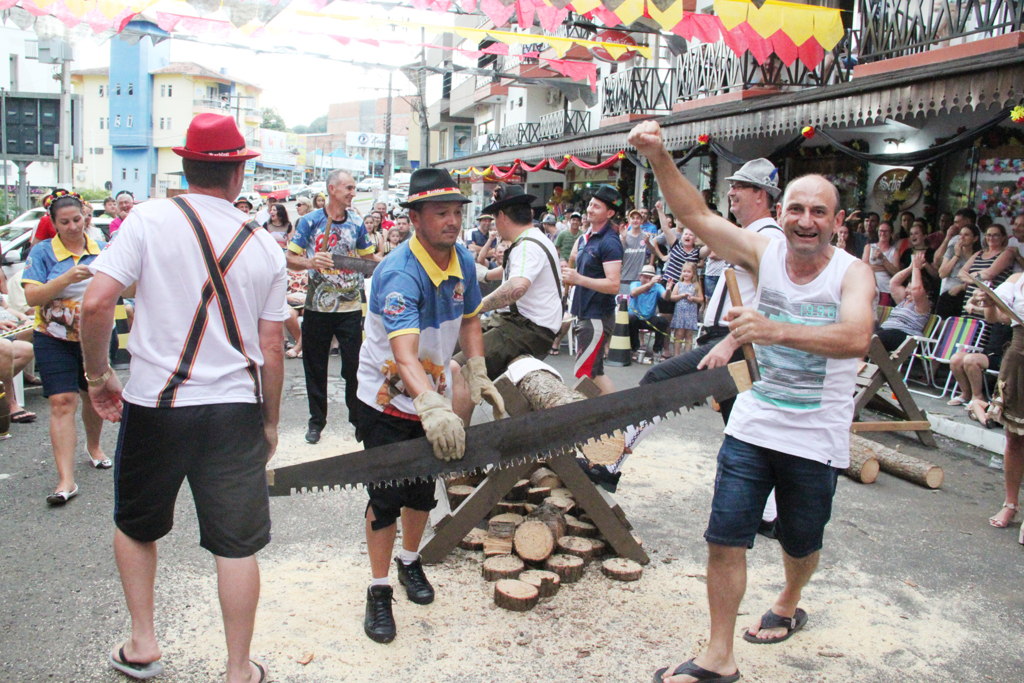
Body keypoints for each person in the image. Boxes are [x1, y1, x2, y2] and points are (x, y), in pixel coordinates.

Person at [630, 119, 874, 683]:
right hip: (754, 423)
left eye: (819, 213)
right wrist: (661, 156)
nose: (806, 222)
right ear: (781, 212)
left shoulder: (851, 274)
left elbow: (856, 338)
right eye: (797, 210)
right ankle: (718, 656)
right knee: (725, 536)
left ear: (837, 222)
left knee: (801, 542)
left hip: (815, 437)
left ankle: (789, 597)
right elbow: (696, 217)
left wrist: (774, 330)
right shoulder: (763, 253)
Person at [79, 112, 284, 683]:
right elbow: (271, 347)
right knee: (236, 545)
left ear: (185, 166)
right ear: (238, 173)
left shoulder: (145, 220)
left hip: (155, 407)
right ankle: (239, 669)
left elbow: (95, 304)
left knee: (137, 525)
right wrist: (269, 425)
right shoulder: (264, 244)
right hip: (234, 410)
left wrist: (98, 377)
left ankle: (143, 644)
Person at [355, 168, 503, 644]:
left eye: (458, 212)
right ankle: (379, 590)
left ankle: (410, 561)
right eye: (441, 213)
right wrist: (431, 406)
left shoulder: (461, 259)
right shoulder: (399, 272)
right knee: (385, 498)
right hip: (385, 401)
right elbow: (403, 353)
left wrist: (477, 370)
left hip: (429, 393)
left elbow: (472, 319)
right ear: (415, 217)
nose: (453, 222)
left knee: (421, 490)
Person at [21, 189, 110, 505]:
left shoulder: (102, 248)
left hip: (93, 337)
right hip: (52, 337)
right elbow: (32, 297)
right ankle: (65, 480)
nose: (73, 227)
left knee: (93, 396)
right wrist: (66, 278)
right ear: (54, 223)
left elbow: (126, 285)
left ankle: (94, 446)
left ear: (85, 216)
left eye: (77, 219)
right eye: (65, 222)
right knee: (62, 400)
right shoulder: (43, 253)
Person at [451, 182, 564, 420]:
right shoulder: (533, 239)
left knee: (460, 369)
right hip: (515, 323)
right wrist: (480, 273)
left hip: (530, 330)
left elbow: (517, 287)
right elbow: (507, 273)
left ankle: (458, 441)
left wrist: (475, 308)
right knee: (447, 342)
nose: (493, 224)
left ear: (501, 216)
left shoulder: (528, 245)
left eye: (493, 217)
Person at [287, 169, 376, 445]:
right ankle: (316, 422)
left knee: (353, 367)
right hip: (316, 306)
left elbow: (368, 261)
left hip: (349, 307)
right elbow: (290, 258)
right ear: (332, 189)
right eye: (348, 187)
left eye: (354, 188)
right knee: (315, 366)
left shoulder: (358, 223)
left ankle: (358, 421)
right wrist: (312, 263)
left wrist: (380, 266)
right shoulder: (310, 222)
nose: (353, 193)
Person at [562, 185, 623, 395]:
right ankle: (619, 420)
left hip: (597, 316)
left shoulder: (610, 242)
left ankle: (608, 418)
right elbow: (573, 260)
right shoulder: (585, 237)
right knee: (594, 373)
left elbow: (614, 285)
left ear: (610, 213)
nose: (590, 209)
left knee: (586, 374)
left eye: (596, 206)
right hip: (585, 312)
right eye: (590, 204)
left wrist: (578, 278)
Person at [980, 272, 1024, 532]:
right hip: (1018, 360)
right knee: (1015, 438)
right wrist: (989, 302)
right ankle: (1010, 504)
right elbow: (999, 318)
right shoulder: (1017, 279)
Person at [876, 253, 932, 352]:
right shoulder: (903, 301)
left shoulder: (923, 306)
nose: (906, 290)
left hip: (904, 336)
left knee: (871, 340)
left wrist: (916, 268)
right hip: (885, 331)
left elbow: (916, 289)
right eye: (907, 287)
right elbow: (894, 283)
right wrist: (911, 267)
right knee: (862, 336)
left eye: (909, 288)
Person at [959, 223, 1013, 318]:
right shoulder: (979, 253)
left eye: (995, 235)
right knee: (968, 329)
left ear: (1003, 237)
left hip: (989, 302)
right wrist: (977, 277)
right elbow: (961, 273)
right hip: (970, 299)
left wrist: (971, 276)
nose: (991, 238)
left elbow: (989, 274)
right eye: (988, 235)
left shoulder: (1007, 253)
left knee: (983, 330)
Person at [935, 223, 979, 317]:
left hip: (967, 295)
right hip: (948, 294)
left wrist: (962, 287)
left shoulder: (978, 255)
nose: (962, 237)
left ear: (975, 238)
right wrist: (956, 255)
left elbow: (978, 278)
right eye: (960, 234)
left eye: (966, 235)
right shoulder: (952, 250)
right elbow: (942, 274)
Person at [628, 265, 669, 360]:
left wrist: (669, 290)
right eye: (645, 277)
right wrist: (649, 284)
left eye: (650, 278)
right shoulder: (634, 284)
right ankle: (635, 348)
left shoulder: (657, 287)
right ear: (640, 277)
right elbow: (633, 293)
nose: (648, 280)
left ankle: (657, 350)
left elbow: (665, 297)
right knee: (631, 318)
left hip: (649, 318)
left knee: (662, 321)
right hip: (635, 318)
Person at [669, 261, 703, 356]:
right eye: (684, 271)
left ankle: (687, 355)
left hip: (690, 312)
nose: (686, 273)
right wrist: (682, 295)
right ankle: (676, 355)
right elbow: (672, 297)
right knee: (678, 334)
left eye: (689, 272)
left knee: (689, 334)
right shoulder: (678, 284)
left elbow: (701, 299)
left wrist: (693, 298)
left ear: (693, 274)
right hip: (680, 312)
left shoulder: (696, 285)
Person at [864, 221, 898, 306]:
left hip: (886, 290)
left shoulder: (895, 251)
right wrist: (886, 267)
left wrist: (883, 258)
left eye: (886, 231)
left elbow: (896, 272)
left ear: (891, 233)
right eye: (881, 231)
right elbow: (863, 267)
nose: (883, 233)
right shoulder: (869, 247)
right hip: (869, 288)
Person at [620, 210, 649, 294]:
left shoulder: (646, 236)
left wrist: (648, 243)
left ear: (642, 220)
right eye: (633, 218)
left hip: (640, 279)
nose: (635, 220)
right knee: (623, 306)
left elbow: (653, 251)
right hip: (625, 278)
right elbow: (617, 255)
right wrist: (623, 240)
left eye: (638, 218)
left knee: (638, 306)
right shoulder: (623, 236)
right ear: (629, 220)